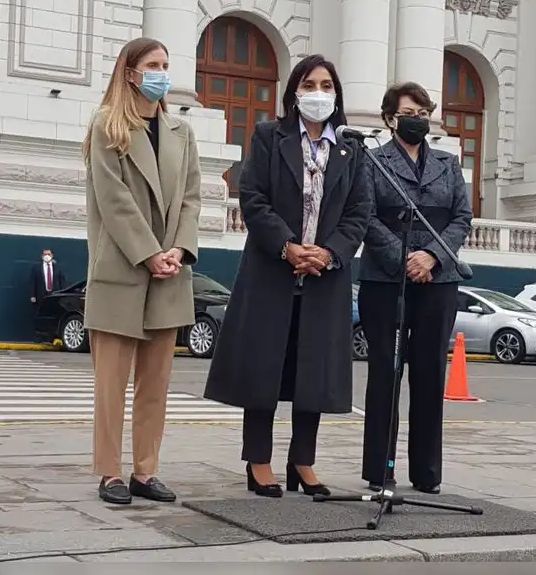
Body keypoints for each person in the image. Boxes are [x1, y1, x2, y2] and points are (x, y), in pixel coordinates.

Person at [203, 54, 371, 498]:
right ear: (294, 92)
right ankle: (258, 462)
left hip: (324, 276)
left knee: (311, 373)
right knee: (265, 369)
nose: (319, 93)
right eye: (310, 84)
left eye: (326, 85)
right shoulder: (267, 137)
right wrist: (287, 246)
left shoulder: (350, 147)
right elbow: (253, 197)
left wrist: (329, 252)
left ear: (337, 94)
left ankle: (303, 462)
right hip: (271, 271)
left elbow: (359, 212)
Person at [81, 37, 202, 505]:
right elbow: (113, 202)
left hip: (170, 274)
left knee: (156, 384)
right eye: (153, 64)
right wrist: (150, 252)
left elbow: (192, 198)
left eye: (166, 65)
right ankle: (109, 472)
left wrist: (177, 250)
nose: (162, 73)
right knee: (111, 384)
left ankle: (145, 471)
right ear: (130, 72)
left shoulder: (181, 133)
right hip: (122, 271)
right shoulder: (106, 126)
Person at [357, 81, 473, 494]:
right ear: (390, 118)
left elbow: (462, 217)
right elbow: (366, 217)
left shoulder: (448, 163)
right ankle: (379, 471)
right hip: (386, 281)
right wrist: (405, 259)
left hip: (439, 281)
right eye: (410, 113)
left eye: (424, 114)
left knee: (428, 377)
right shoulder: (372, 162)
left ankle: (426, 474)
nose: (417, 120)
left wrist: (432, 258)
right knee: (384, 377)